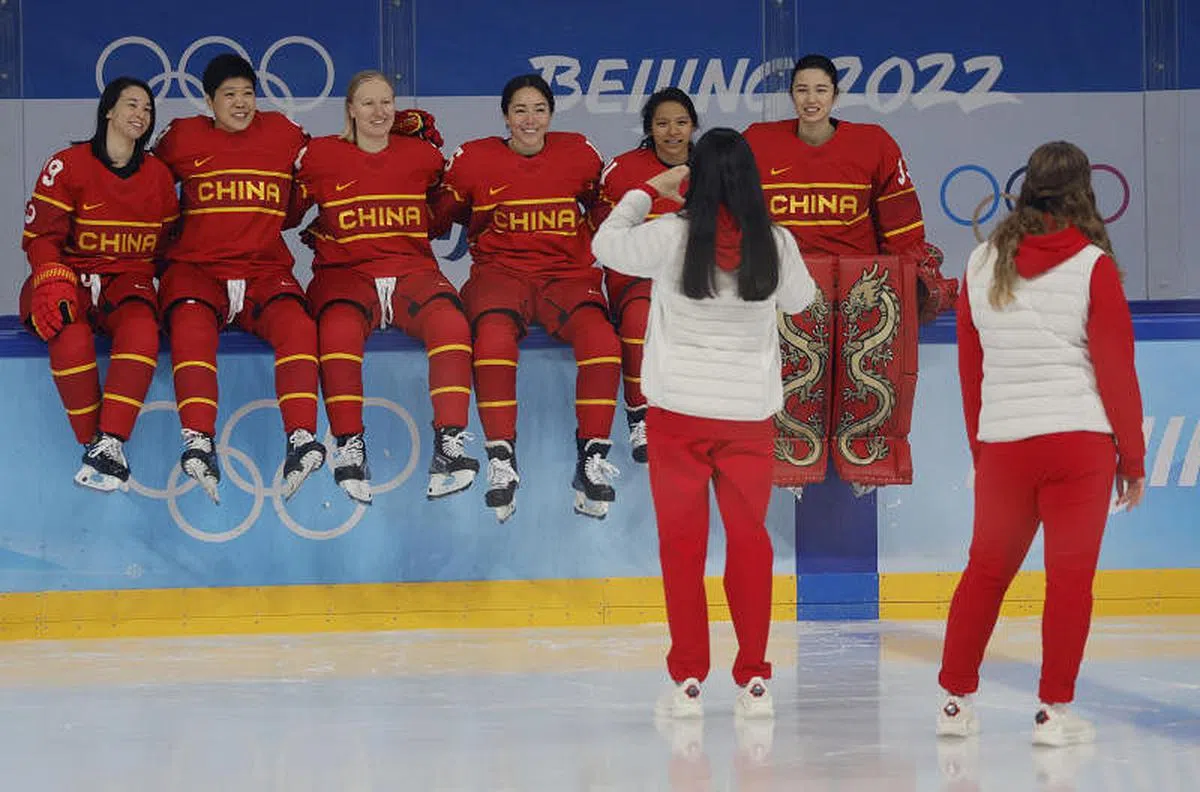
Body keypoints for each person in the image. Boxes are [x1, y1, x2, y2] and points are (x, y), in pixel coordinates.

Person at [592, 128, 817, 719]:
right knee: (750, 547)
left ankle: (689, 679)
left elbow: (606, 245)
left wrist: (648, 188)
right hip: (746, 419)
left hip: (677, 418)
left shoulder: (670, 235)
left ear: (695, 177)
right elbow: (800, 301)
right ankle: (754, 681)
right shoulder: (776, 242)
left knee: (682, 550)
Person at [935, 141, 1146, 747]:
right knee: (1070, 580)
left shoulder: (979, 263)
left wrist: (982, 449)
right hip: (1078, 445)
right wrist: (1131, 460)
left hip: (1006, 445)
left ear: (1025, 188)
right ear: (1085, 193)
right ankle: (1054, 713)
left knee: (985, 572)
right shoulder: (1092, 265)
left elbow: (970, 374)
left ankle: (954, 700)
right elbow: (1116, 372)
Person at [743, 54, 958, 496]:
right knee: (786, 373)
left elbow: (900, 223)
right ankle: (789, 459)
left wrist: (912, 277)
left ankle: (868, 458)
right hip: (788, 288)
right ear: (791, 95)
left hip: (860, 290)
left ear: (835, 95)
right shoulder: (758, 142)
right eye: (802, 90)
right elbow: (737, 216)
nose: (811, 99)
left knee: (870, 372)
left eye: (820, 90)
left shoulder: (874, 144)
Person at [430, 73, 622, 522]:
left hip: (565, 277)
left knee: (603, 343)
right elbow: (437, 217)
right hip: (501, 276)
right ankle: (502, 458)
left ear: (551, 114)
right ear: (505, 116)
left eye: (539, 109)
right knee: (493, 342)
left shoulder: (580, 152)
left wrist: (589, 237)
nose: (530, 119)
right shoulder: (474, 159)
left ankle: (590, 459)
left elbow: (605, 204)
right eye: (520, 110)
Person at [294, 70, 477, 504]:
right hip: (346, 272)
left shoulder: (422, 156)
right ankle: (348, 446)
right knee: (337, 330)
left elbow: (442, 210)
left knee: (451, 326)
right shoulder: (319, 156)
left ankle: (449, 445)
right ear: (351, 110)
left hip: (411, 270)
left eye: (386, 102)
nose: (379, 111)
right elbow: (283, 212)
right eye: (369, 102)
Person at [154, 53, 324, 503]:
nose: (241, 102)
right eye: (229, 95)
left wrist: (390, 132)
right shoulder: (180, 137)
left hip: (263, 271)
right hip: (197, 271)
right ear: (209, 101)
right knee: (190, 330)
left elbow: (327, 165)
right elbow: (142, 183)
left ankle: (302, 438)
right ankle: (198, 441)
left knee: (300, 328)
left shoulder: (285, 134)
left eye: (248, 93)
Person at [20, 76, 178, 491]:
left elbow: (166, 248)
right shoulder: (67, 164)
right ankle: (97, 445)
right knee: (69, 338)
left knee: (142, 330)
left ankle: (111, 441)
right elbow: (42, 238)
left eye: (147, 108)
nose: (140, 115)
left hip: (128, 281)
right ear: (108, 110)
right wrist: (51, 282)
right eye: (131, 105)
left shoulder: (159, 175)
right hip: (70, 277)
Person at [592, 87, 698, 464]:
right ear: (649, 128)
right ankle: (640, 415)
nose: (672, 132)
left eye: (681, 123)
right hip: (637, 280)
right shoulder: (623, 170)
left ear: (694, 126)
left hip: (696, 281)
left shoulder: (713, 168)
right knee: (640, 318)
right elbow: (608, 232)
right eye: (662, 123)